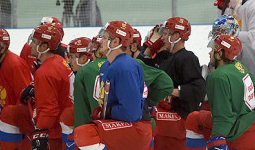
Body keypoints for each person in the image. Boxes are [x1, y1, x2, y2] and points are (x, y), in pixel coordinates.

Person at [73, 21, 153, 149]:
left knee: (85, 134)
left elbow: (131, 113)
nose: (101, 41)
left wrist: (107, 112)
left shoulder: (124, 67)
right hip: (123, 123)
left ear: (115, 42)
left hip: (137, 127)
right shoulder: (107, 65)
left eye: (104, 38)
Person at [185, 34, 255, 150]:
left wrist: (218, 137)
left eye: (213, 50)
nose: (209, 53)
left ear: (220, 54)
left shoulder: (217, 76)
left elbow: (223, 115)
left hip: (239, 136)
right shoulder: (238, 65)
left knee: (193, 118)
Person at [140, 16, 206, 149]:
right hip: (165, 112)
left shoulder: (187, 57)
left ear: (175, 36)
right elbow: (145, 72)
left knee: (145, 119)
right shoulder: (163, 56)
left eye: (165, 34)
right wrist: (148, 50)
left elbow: (199, 88)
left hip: (179, 115)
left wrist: (170, 92)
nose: (162, 38)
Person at [0, 28, 32, 108]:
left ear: (3, 48)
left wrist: (14, 115)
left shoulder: (15, 65)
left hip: (14, 116)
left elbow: (24, 96)